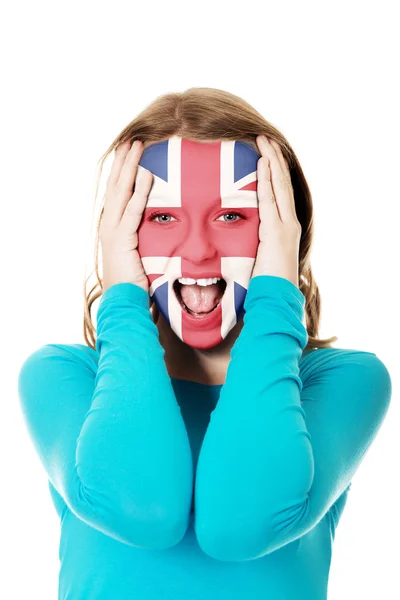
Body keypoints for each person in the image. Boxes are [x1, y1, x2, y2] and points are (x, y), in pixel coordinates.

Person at [17, 87, 392, 600]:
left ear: (283, 234)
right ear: (119, 234)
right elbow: (140, 509)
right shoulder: (62, 377)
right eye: (162, 218)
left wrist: (275, 298)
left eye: (232, 216)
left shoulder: (342, 382)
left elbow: (243, 524)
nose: (197, 251)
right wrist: (122, 302)